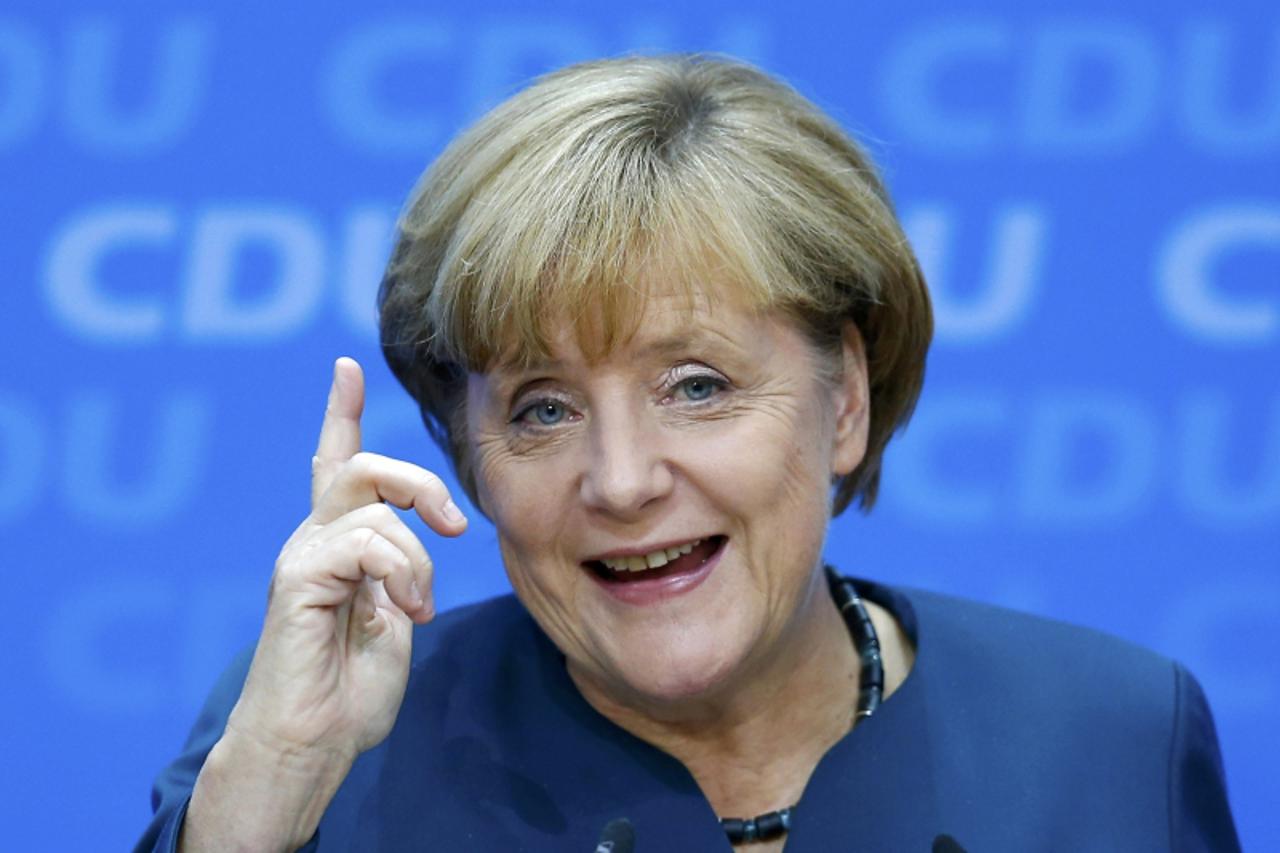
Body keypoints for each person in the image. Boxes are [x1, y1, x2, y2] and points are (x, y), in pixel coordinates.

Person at [137, 54, 1240, 852]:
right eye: (541, 410)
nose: (622, 480)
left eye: (696, 387)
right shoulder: (325, 744)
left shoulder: (1111, 736)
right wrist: (272, 799)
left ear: (843, 398)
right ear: (464, 459)